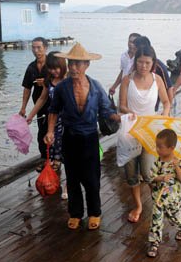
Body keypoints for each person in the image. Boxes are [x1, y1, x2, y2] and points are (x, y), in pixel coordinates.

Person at [44, 43, 121, 230]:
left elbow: (106, 111)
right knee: (72, 177)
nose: (73, 68)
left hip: (90, 138)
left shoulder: (95, 87)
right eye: (71, 63)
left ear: (87, 64)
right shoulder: (62, 87)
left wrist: (122, 117)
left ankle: (95, 212)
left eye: (78, 64)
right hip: (69, 137)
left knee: (92, 177)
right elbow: (53, 110)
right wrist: (50, 131)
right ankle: (75, 213)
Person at [119, 45, 170, 224]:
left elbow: (166, 101)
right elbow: (121, 105)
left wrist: (165, 114)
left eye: (147, 62)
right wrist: (128, 111)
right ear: (135, 62)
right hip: (130, 131)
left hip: (150, 132)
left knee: (149, 171)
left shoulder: (157, 80)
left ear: (153, 63)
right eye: (140, 62)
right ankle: (138, 205)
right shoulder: (127, 80)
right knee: (131, 172)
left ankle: (158, 199)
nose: (143, 66)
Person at [26, 52, 68, 199]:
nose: (54, 71)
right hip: (54, 120)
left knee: (69, 155)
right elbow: (42, 99)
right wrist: (30, 115)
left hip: (69, 122)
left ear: (63, 66)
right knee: (55, 150)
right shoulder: (49, 80)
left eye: (57, 68)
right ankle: (55, 179)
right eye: (51, 68)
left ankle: (68, 187)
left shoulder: (70, 79)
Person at [146, 129, 181, 258]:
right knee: (156, 220)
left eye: (160, 147)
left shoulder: (178, 162)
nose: (157, 149)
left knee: (174, 217)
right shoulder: (158, 162)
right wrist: (161, 178)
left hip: (172, 199)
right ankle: (154, 242)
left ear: (171, 148)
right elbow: (151, 176)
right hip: (158, 198)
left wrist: (176, 168)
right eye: (156, 146)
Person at [19, 37, 49, 160]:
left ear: (46, 48)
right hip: (39, 106)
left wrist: (47, 82)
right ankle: (44, 158)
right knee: (42, 132)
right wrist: (23, 108)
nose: (36, 51)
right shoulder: (31, 67)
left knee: (54, 131)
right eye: (33, 48)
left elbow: (62, 79)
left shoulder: (52, 65)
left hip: (54, 104)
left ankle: (56, 159)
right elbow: (27, 89)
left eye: (39, 48)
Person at [132, 36, 174, 111]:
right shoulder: (135, 64)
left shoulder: (159, 66)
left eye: (135, 49)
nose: (133, 51)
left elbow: (169, 87)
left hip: (151, 105)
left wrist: (168, 110)